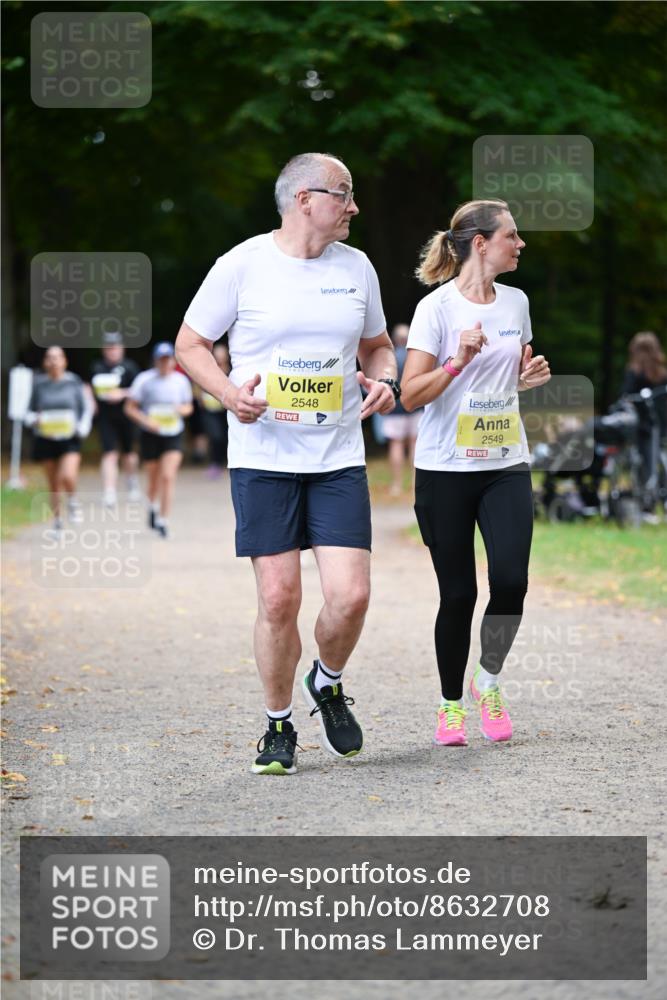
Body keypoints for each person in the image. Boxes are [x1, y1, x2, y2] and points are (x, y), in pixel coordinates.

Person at [175, 151, 398, 775]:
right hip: (262, 456)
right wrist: (226, 393)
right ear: (304, 198)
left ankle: (325, 681)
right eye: (343, 193)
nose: (353, 206)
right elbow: (189, 344)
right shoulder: (241, 265)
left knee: (350, 597)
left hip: (337, 457)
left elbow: (378, 347)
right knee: (278, 599)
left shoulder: (357, 268)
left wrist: (386, 379)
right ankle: (277, 728)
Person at [401, 199, 551, 748]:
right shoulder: (435, 309)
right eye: (513, 235)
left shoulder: (516, 302)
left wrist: (527, 376)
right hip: (445, 469)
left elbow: (511, 373)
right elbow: (411, 394)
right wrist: (455, 361)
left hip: (505, 461)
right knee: (459, 594)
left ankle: (487, 681)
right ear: (481, 244)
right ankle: (450, 705)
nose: (521, 243)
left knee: (511, 579)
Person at [124, 342, 193, 539]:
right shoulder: (144, 380)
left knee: (168, 476)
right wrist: (146, 421)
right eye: (161, 360)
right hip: (150, 434)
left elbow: (189, 407)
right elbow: (129, 408)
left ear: (173, 360)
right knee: (153, 478)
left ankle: (163, 520)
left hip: (173, 433)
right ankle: (152, 506)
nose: (164, 363)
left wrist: (182, 410)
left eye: (168, 359)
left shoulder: (181, 381)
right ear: (155, 361)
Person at [24, 345, 93, 535]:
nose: (54, 361)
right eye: (50, 357)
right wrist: (34, 420)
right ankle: (57, 522)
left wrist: (82, 427)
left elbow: (85, 408)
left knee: (67, 476)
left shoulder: (73, 382)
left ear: (64, 361)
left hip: (70, 437)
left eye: (57, 357)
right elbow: (28, 411)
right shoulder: (39, 384)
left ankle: (72, 500)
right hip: (46, 437)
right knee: (53, 483)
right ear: (45, 362)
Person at [89, 330, 141, 506]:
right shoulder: (97, 367)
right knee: (109, 453)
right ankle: (109, 491)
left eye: (115, 347)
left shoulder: (130, 367)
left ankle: (131, 481)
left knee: (129, 453)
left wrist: (122, 393)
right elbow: (88, 388)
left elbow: (139, 390)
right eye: (108, 347)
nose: (112, 351)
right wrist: (91, 403)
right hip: (106, 417)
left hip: (127, 415)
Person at [620, 331, 667, 521]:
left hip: (642, 427)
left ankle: (647, 505)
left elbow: (625, 397)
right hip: (660, 424)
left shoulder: (634, 372)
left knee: (647, 464)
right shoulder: (662, 374)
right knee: (656, 462)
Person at [381, 323, 423, 496]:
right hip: (416, 407)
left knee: (396, 444)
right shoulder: (416, 358)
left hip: (395, 409)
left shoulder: (389, 358)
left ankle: (397, 485)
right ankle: (415, 483)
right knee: (414, 444)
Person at [198, 340, 231, 480]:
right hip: (210, 410)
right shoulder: (208, 369)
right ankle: (214, 464)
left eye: (221, 354)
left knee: (225, 437)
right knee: (215, 436)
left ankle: (226, 462)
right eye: (216, 353)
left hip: (227, 410)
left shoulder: (232, 370)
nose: (219, 356)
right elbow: (199, 386)